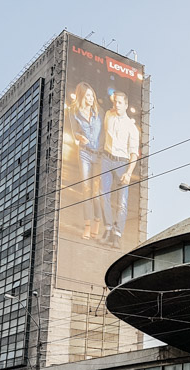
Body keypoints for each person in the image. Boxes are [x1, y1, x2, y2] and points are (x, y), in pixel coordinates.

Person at [100, 91, 140, 248]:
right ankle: (108, 228)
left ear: (126, 105)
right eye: (115, 102)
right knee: (104, 195)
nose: (116, 105)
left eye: (120, 103)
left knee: (122, 202)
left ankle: (117, 234)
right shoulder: (108, 116)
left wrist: (129, 173)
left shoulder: (131, 127)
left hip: (122, 163)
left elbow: (134, 154)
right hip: (106, 158)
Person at [68, 82, 103, 240]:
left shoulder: (99, 111)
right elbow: (73, 131)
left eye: (92, 95)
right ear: (82, 96)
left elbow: (104, 132)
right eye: (87, 95)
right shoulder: (74, 112)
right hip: (84, 154)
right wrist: (79, 137)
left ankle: (97, 222)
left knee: (96, 192)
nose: (91, 98)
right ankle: (87, 226)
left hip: (99, 155)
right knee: (86, 190)